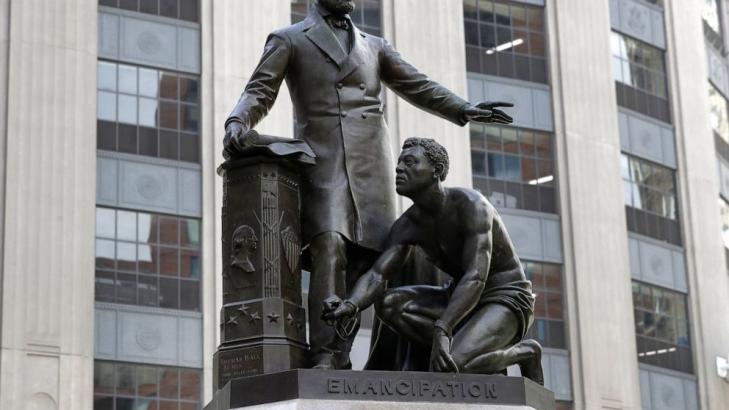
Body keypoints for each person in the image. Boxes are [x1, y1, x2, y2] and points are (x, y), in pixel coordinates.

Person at [223, 0, 514, 369]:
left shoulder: (374, 46)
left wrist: (462, 108)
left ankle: (374, 360)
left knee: (372, 260)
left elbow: (417, 84)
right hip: (323, 162)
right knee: (330, 246)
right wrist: (237, 121)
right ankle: (327, 357)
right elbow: (260, 90)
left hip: (373, 165)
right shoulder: (289, 39)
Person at [322, 138, 543, 383]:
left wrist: (443, 328)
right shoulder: (408, 225)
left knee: (454, 366)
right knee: (389, 304)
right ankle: (470, 347)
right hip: (457, 298)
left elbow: (476, 277)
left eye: (410, 162)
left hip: (503, 298)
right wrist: (350, 305)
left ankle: (525, 353)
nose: (398, 168)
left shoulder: (472, 206)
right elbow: (378, 275)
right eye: (398, 163)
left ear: (436, 171)